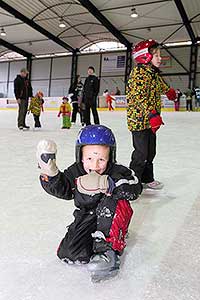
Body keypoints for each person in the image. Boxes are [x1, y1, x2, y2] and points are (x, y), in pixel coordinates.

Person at [36, 125, 142, 282]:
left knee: (110, 204)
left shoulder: (117, 171)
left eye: (101, 159)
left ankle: (108, 250)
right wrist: (51, 175)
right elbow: (64, 189)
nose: (95, 165)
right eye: (90, 159)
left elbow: (135, 186)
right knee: (70, 254)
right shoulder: (76, 171)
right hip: (87, 216)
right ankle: (95, 242)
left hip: (112, 215)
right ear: (81, 156)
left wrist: (110, 185)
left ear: (110, 157)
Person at [126, 39, 176, 190]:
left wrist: (168, 90)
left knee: (151, 152)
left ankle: (147, 178)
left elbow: (159, 84)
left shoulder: (152, 73)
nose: (160, 58)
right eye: (157, 56)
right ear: (145, 57)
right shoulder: (139, 74)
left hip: (150, 121)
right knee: (141, 153)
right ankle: (133, 181)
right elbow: (139, 96)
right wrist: (152, 114)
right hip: (139, 121)